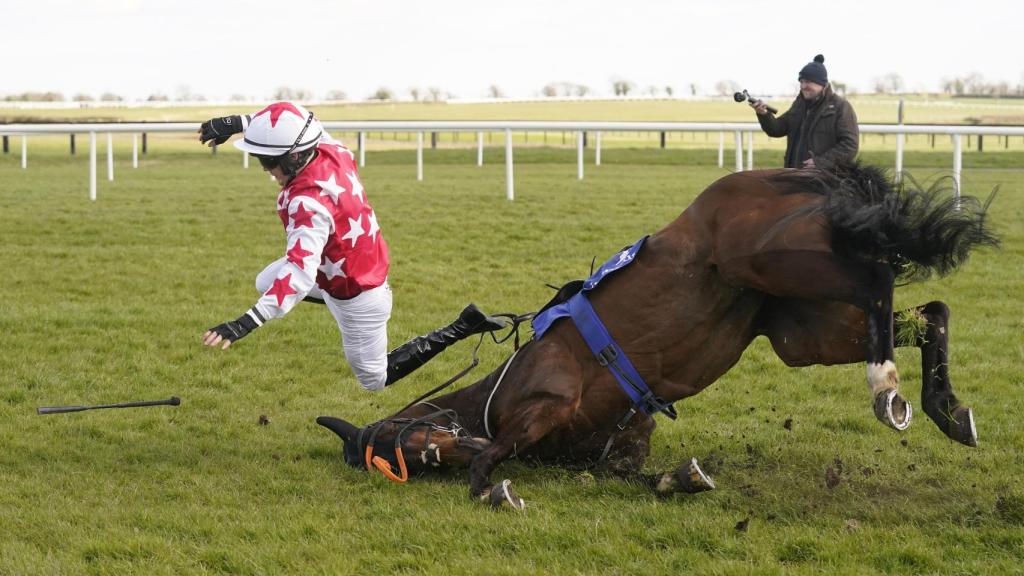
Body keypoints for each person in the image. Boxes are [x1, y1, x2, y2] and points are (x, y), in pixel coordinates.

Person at [197, 102, 505, 391]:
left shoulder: (307, 203)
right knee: (265, 281)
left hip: (361, 296)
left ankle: (463, 325)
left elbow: (299, 273)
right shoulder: (332, 150)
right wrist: (237, 123)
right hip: (356, 260)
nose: (265, 168)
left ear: (294, 157)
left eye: (267, 160)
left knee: (374, 380)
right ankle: (332, 299)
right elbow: (300, 122)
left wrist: (244, 323)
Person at [751, 54, 859, 170]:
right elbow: (776, 129)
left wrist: (821, 162)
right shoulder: (799, 105)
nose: (803, 86)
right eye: (801, 82)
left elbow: (850, 145)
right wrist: (764, 114)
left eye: (807, 82)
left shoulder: (841, 107)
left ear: (821, 83)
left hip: (824, 177)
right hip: (793, 174)